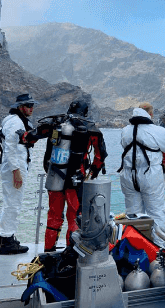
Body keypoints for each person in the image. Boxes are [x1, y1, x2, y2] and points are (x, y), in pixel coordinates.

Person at [26, 99, 107, 251]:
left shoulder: (56, 124)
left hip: (54, 177)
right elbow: (100, 155)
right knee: (74, 217)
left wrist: (23, 137)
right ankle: (71, 251)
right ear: (85, 112)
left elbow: (31, 136)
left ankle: (49, 250)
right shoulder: (90, 128)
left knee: (54, 217)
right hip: (75, 180)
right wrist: (93, 173)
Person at [118, 103, 165, 231]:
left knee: (132, 214)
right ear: (150, 114)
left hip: (128, 175)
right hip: (150, 175)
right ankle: (159, 247)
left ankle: (135, 246)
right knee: (156, 212)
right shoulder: (158, 130)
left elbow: (124, 145)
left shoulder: (125, 130)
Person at [0, 93, 36, 255]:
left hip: (13, 166)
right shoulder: (16, 122)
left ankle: (1, 237)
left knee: (9, 201)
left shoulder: (13, 120)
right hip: (15, 167)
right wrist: (16, 171)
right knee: (14, 204)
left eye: (32, 105)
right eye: (28, 105)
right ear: (20, 107)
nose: (31, 108)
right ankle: (8, 241)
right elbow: (10, 148)